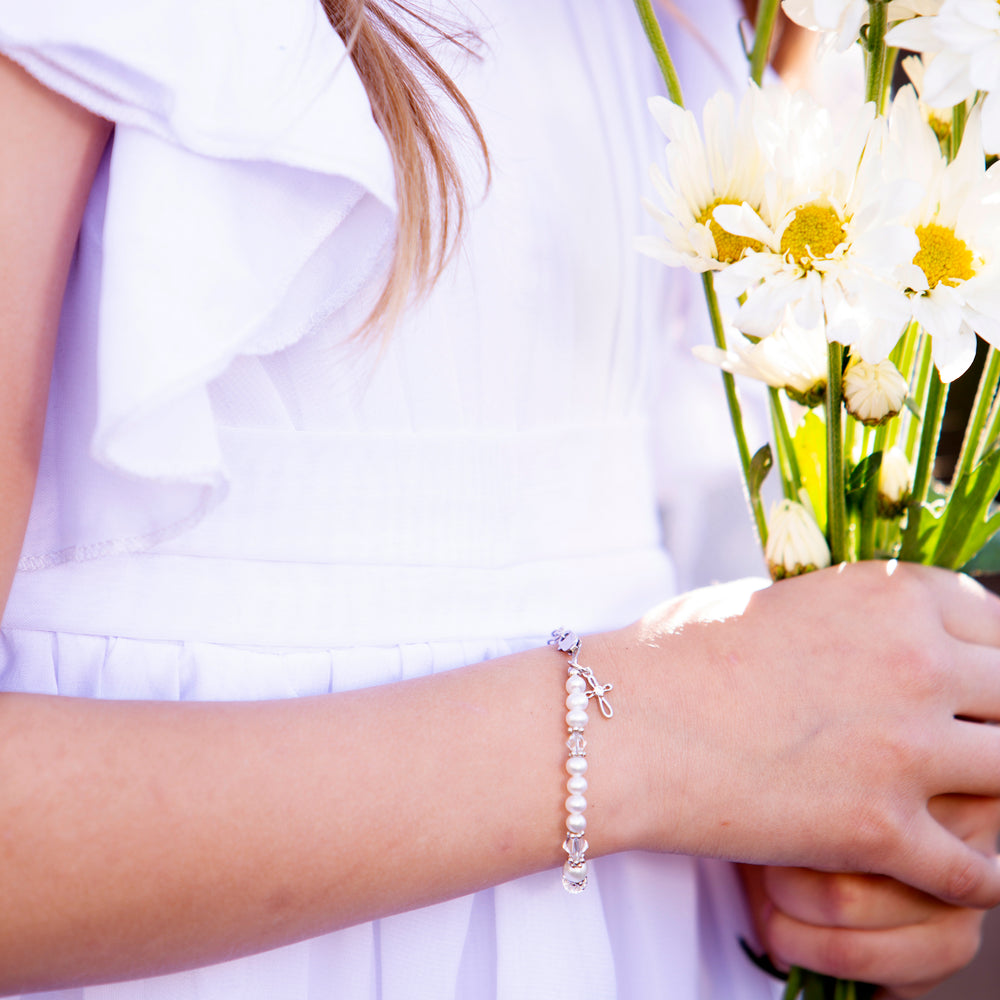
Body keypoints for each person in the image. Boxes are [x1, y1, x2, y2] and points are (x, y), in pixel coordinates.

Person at [0, 1, 998, 997]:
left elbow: (675, 586)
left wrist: (829, 808)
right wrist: (668, 729)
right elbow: (693, 709)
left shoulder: (688, 31)